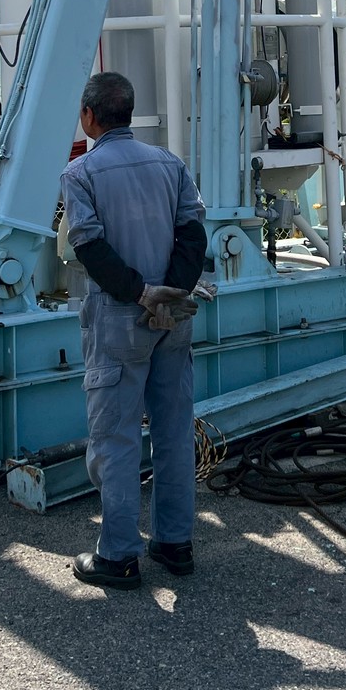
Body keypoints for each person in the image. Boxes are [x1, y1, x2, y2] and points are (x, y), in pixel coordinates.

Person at [60, 71, 208, 590]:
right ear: (130, 112)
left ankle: (119, 556)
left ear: (89, 116)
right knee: (174, 432)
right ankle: (175, 543)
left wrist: (141, 293)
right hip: (174, 316)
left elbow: (88, 246)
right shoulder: (169, 163)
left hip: (120, 318)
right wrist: (173, 291)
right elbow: (193, 232)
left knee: (116, 439)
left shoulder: (80, 173)